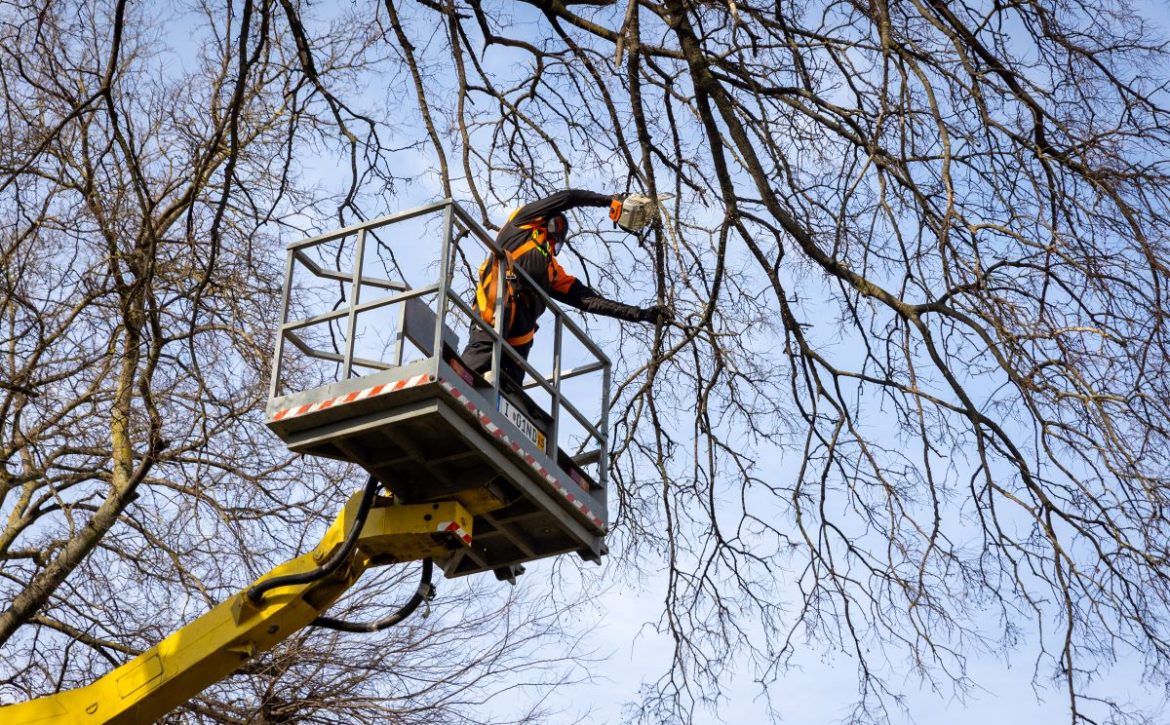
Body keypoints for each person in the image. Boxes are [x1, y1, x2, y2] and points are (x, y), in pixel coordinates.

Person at [462, 189, 670, 384]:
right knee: (476, 363)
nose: (555, 233)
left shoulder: (552, 270)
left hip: (518, 342)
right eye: (555, 225)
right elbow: (568, 197)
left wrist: (640, 314)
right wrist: (608, 201)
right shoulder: (522, 224)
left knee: (509, 390)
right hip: (493, 313)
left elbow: (589, 301)